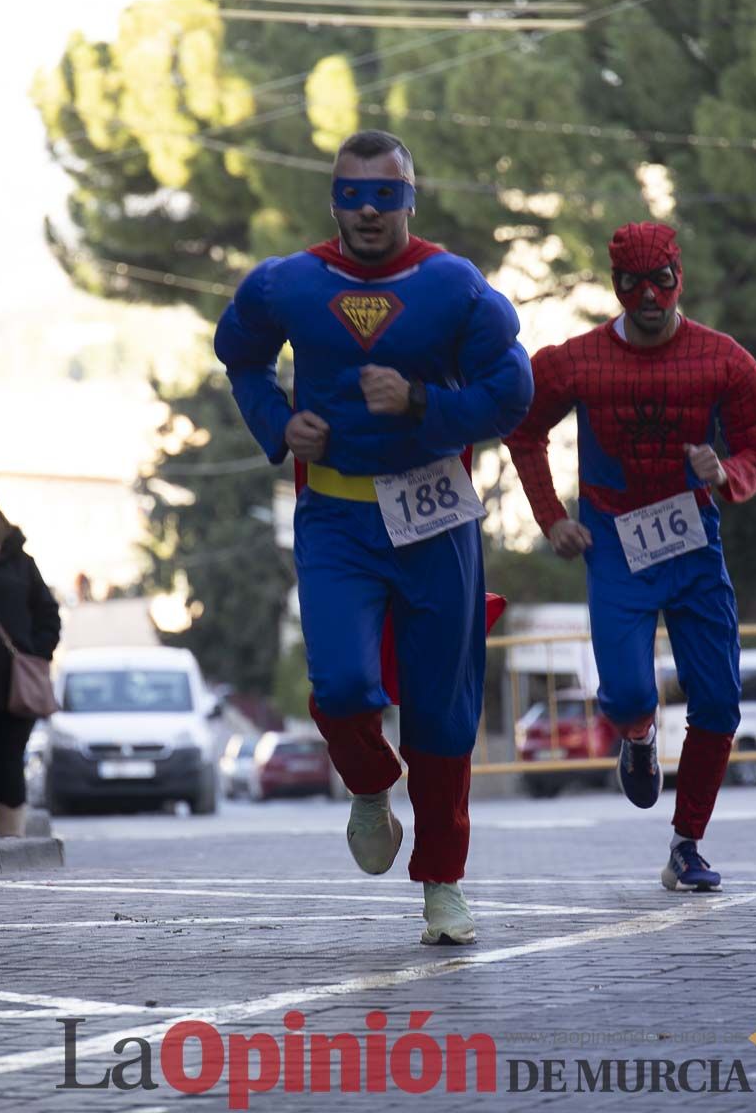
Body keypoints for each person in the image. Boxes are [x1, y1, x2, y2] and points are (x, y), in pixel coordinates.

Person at [215, 129, 533, 944]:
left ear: (410, 197)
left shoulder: (453, 286)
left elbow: (512, 389)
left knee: (442, 713)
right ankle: (368, 780)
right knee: (343, 687)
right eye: (351, 194)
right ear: (332, 199)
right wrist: (282, 425)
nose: (366, 211)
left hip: (436, 520)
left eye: (384, 195)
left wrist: (427, 405)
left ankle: (443, 886)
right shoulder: (290, 283)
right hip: (337, 517)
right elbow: (240, 355)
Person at [505, 222, 756, 892]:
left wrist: (725, 470)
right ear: (613, 284)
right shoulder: (576, 362)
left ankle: (687, 844)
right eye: (631, 284)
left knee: (719, 702)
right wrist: (552, 519)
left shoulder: (724, 360)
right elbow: (523, 430)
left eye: (662, 281)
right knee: (625, 691)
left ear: (682, 277)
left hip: (692, 543)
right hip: (616, 544)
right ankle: (639, 735)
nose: (649, 297)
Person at [0, 483, 61, 838]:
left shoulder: (19, 563)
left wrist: (34, 653)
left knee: (7, 774)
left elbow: (48, 616)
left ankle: (12, 854)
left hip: (13, 692)